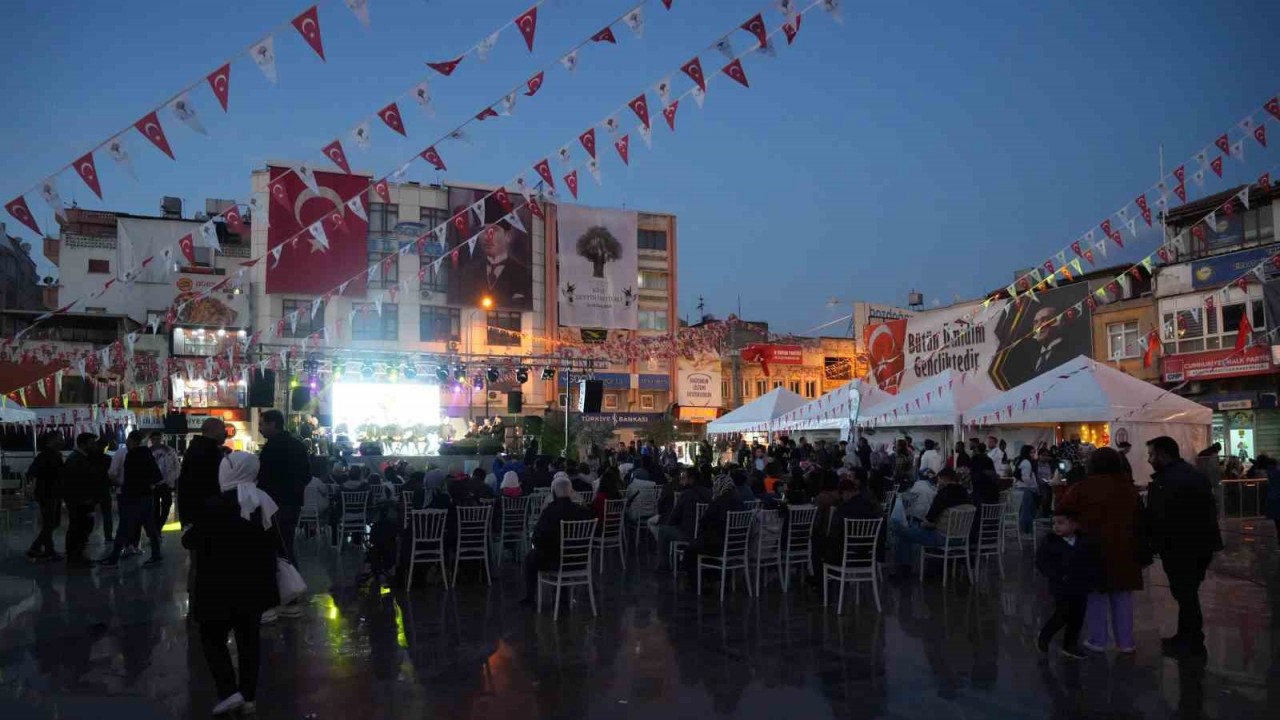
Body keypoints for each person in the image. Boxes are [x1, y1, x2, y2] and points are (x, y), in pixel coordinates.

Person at [185, 451, 279, 715]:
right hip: (254, 586)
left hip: (217, 586)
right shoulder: (264, 503)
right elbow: (276, 543)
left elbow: (191, 540)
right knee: (249, 640)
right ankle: (249, 696)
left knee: (212, 638)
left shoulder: (215, 504)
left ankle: (228, 690)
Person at [1145, 436, 1222, 659]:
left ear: (1162, 454)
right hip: (1197, 544)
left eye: (1151, 455)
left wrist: (1154, 541)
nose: (1149, 460)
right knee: (1186, 593)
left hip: (1181, 546)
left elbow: (1162, 516)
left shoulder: (1170, 480)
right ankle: (1185, 635)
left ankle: (1192, 640)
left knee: (1185, 594)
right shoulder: (1191, 474)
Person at [1060, 447, 1143, 654]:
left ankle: (1098, 640)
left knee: (1096, 596)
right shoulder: (1129, 489)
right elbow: (1141, 520)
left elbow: (1063, 509)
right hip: (1125, 549)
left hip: (1092, 549)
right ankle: (1126, 642)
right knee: (1122, 597)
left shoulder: (1082, 488)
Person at [1035, 509, 1100, 660]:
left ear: (1074, 525)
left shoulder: (1084, 542)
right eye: (1054, 523)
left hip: (1081, 586)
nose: (1056, 526)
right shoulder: (1050, 543)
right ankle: (1045, 636)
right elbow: (1041, 562)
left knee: (1077, 617)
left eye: (1061, 523)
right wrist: (1056, 575)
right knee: (1062, 614)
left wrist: (1093, 579)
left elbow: (1092, 562)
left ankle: (1070, 645)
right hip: (1061, 586)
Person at [520, 476, 592, 605]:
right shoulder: (582, 511)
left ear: (553, 493)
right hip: (580, 560)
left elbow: (537, 538)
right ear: (571, 492)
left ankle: (530, 597)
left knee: (531, 557)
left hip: (555, 561)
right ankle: (562, 595)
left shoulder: (550, 511)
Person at [100, 430, 164, 567]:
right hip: (146, 496)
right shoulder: (147, 454)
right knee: (150, 528)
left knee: (124, 527)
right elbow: (157, 476)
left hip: (131, 496)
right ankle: (156, 555)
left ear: (131, 441)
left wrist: (123, 485)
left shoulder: (131, 455)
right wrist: (148, 485)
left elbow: (117, 475)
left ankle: (114, 557)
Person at [891, 468, 972, 576]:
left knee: (903, 532)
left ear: (942, 479)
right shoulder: (965, 493)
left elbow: (929, 521)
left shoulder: (942, 495)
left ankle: (904, 569)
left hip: (942, 537)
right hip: (962, 538)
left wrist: (922, 524)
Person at [256, 409, 310, 568]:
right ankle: (292, 582)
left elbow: (264, 476)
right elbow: (306, 475)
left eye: (262, 424)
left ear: (272, 424)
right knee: (287, 543)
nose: (260, 428)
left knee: (279, 546)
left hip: (275, 504)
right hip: (292, 502)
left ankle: (287, 584)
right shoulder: (297, 445)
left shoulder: (272, 448)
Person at [459, 196, 532, 308]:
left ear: (508, 236)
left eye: (494, 230)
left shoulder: (524, 274)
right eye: (483, 231)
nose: (488, 237)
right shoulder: (468, 273)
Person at [655, 467, 712, 572]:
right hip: (703, 534)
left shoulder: (686, 494)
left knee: (663, 531)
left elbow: (674, 516)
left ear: (691, 479)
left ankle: (664, 565)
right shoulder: (709, 493)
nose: (683, 480)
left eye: (684, 478)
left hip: (688, 534)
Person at [684, 476, 745, 571]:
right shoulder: (739, 501)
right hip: (739, 546)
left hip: (719, 546)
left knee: (690, 550)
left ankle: (695, 582)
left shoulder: (718, 501)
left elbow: (703, 521)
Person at [61, 433, 101, 567]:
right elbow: (74, 483)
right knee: (78, 528)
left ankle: (78, 556)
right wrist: (84, 498)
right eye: (91, 443)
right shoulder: (75, 460)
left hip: (83, 501)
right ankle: (75, 557)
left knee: (82, 528)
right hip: (80, 502)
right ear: (83, 445)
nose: (94, 446)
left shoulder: (83, 458)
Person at [26, 432, 66, 561]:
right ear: (53, 440)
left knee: (52, 522)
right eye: (60, 439)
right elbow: (31, 472)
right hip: (49, 494)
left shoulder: (53, 455)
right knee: (51, 522)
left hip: (52, 493)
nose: (63, 441)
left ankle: (42, 548)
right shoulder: (46, 455)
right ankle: (43, 549)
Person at [150, 432, 179, 528]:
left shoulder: (169, 451)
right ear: (151, 440)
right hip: (153, 484)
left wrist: (173, 479)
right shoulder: (148, 452)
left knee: (167, 504)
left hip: (166, 483)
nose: (157, 441)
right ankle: (156, 528)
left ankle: (160, 524)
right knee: (155, 507)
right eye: (155, 439)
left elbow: (177, 466)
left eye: (159, 439)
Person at [1014, 445, 1040, 535]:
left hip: (1022, 488)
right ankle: (1026, 531)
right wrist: (1033, 486)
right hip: (1026, 489)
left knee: (1024, 510)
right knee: (1026, 511)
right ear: (1027, 453)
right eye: (1032, 452)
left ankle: (1024, 530)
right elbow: (1026, 478)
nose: (1033, 454)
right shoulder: (1026, 462)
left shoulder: (1021, 461)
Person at [1258, 455, 1280, 542]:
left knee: (1277, 523)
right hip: (1277, 498)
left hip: (1272, 499)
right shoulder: (1276, 472)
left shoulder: (1268, 472)